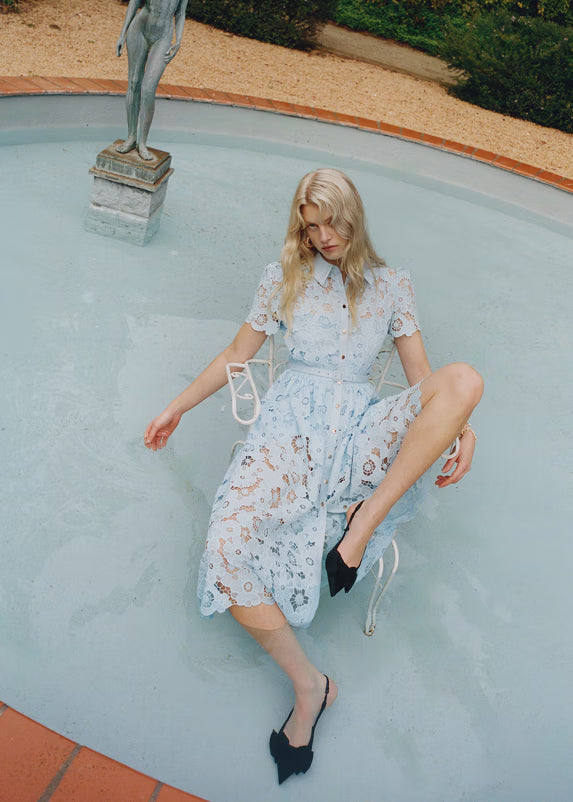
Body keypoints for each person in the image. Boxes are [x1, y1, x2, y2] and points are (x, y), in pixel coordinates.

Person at [144, 169, 483, 784]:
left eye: (332, 222)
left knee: (466, 383)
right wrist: (176, 406)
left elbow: (424, 381)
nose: (323, 237)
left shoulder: (392, 286)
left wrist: (465, 426)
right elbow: (235, 355)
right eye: (311, 225)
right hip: (289, 434)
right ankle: (311, 685)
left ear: (354, 216)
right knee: (223, 550)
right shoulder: (285, 277)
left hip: (360, 437)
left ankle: (361, 526)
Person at [116, 0, 188, 161]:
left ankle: (142, 142)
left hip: (163, 36)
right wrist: (122, 34)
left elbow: (181, 13)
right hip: (139, 28)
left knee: (148, 89)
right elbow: (135, 2)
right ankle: (131, 136)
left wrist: (178, 41)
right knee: (134, 82)